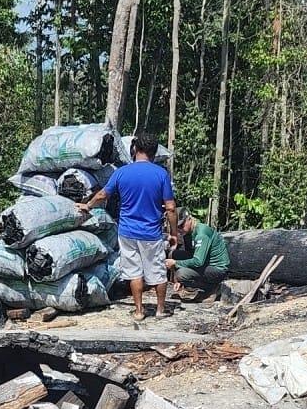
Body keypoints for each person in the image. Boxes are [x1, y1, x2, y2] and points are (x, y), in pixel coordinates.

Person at [80, 133, 178, 321]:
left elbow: (102, 195)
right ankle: (160, 310)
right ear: (154, 153)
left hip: (127, 232)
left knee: (134, 272)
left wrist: (88, 206)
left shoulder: (122, 172)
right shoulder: (161, 174)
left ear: (135, 149)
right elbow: (171, 208)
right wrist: (174, 233)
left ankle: (139, 311)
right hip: (151, 233)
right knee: (158, 271)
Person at [165, 208, 229, 299]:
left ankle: (212, 288)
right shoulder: (187, 234)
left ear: (189, 219)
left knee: (181, 274)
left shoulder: (201, 234)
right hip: (205, 264)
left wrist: (176, 263)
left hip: (217, 269)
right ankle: (186, 285)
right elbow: (190, 255)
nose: (179, 230)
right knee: (175, 254)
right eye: (176, 227)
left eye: (181, 226)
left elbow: (198, 261)